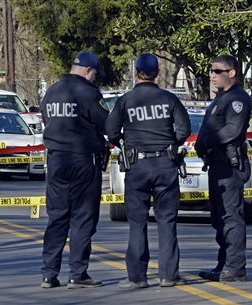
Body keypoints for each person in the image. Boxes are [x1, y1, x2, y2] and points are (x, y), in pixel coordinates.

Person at [105, 53, 191, 289]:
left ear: (135, 72)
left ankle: (137, 277)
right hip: (165, 164)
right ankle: (168, 275)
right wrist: (171, 142)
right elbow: (184, 129)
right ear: (157, 72)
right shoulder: (169, 99)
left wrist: (125, 140)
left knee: (137, 222)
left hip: (138, 166)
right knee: (167, 221)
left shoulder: (126, 100)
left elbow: (111, 131)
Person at [40, 51, 109, 289]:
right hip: (82, 160)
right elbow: (107, 123)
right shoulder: (89, 94)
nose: (95, 79)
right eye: (95, 75)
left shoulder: (51, 92)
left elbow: (44, 118)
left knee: (57, 217)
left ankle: (49, 274)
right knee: (82, 217)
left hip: (56, 160)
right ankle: (78, 273)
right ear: (89, 71)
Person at [194, 55, 251, 282]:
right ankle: (224, 264)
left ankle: (236, 267)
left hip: (230, 167)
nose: (212, 75)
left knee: (231, 218)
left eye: (217, 71)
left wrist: (207, 141)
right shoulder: (221, 98)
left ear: (232, 72)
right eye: (211, 70)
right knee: (218, 219)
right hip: (217, 165)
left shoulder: (237, 98)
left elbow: (232, 131)